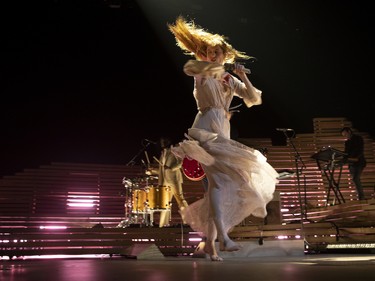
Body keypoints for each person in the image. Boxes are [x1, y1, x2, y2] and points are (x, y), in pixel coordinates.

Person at [167, 16, 279, 261]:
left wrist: (242, 76)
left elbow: (254, 99)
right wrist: (215, 67)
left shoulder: (228, 79)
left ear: (224, 54)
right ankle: (222, 239)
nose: (212, 55)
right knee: (220, 184)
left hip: (223, 130)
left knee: (220, 187)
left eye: (216, 52)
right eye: (209, 52)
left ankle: (211, 242)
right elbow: (189, 68)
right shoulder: (203, 72)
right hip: (206, 127)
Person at [153, 137, 189, 227]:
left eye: (163, 141)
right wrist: (152, 171)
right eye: (161, 142)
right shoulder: (162, 154)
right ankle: (162, 225)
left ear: (168, 142)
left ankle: (188, 221)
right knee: (165, 203)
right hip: (165, 181)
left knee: (180, 200)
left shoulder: (174, 150)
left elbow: (181, 163)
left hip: (174, 179)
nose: (162, 143)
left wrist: (171, 168)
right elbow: (163, 170)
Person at [341, 127, 367, 200]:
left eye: (345, 134)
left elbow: (360, 150)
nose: (345, 136)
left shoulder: (358, 138)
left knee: (355, 179)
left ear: (349, 131)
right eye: (344, 135)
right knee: (355, 179)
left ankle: (361, 197)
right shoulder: (347, 142)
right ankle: (360, 196)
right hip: (351, 163)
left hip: (359, 162)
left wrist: (355, 157)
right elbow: (346, 153)